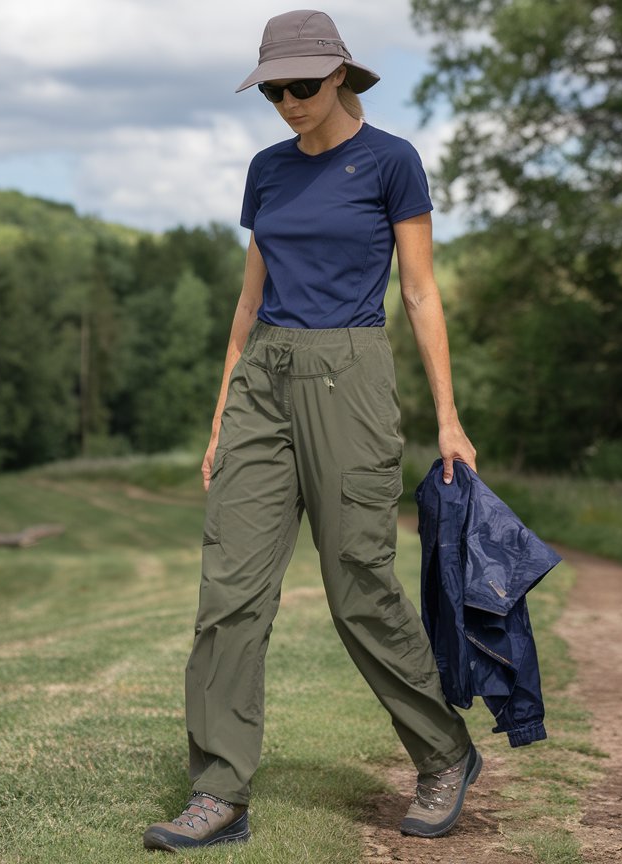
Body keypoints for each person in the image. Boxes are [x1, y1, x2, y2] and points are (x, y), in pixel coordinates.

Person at [142, 9, 481, 852]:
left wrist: (449, 420)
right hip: (264, 378)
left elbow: (420, 294)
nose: (287, 103)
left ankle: (443, 754)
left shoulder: (392, 162)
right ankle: (219, 790)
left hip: (352, 378)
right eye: (273, 90)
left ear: (340, 74)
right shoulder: (267, 171)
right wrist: (223, 413)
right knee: (228, 596)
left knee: (359, 585)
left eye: (301, 86)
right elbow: (249, 299)